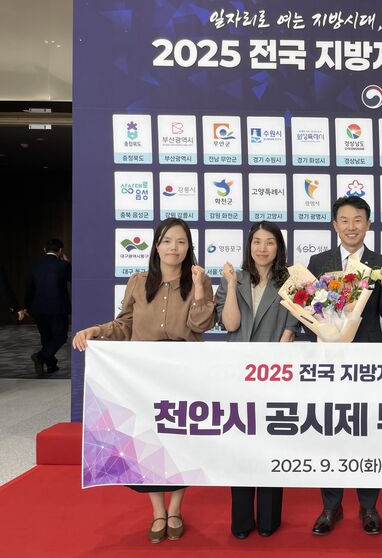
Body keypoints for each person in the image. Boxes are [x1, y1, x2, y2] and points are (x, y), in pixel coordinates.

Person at [72, 218, 215, 544]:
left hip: (182, 372)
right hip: (144, 375)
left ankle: (176, 509)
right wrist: (97, 330)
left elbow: (201, 324)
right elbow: (124, 325)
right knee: (149, 441)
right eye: (167, 241)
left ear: (188, 247)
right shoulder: (138, 282)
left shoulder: (198, 280)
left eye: (181, 242)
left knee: (180, 442)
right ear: (157, 246)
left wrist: (199, 290)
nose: (174, 248)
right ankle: (158, 511)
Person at [306, 195, 382, 536]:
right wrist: (324, 331)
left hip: (367, 362)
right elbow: (308, 311)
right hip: (329, 362)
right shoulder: (319, 262)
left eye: (358, 220)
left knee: (367, 433)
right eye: (344, 220)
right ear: (334, 224)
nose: (351, 226)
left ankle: (368, 505)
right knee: (330, 431)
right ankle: (331, 506)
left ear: (368, 224)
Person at [215, 221, 298, 540]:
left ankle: (269, 519)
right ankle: (241, 520)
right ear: (249, 246)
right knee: (240, 443)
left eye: (270, 242)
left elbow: (291, 328)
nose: (263, 248)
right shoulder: (233, 278)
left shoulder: (290, 281)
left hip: (274, 373)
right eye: (257, 242)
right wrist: (230, 284)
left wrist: (276, 359)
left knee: (270, 443)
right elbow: (230, 324)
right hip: (236, 374)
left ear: (279, 247)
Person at [19, 238, 71, 375]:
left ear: (44, 250)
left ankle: (51, 365)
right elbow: (74, 279)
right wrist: (68, 263)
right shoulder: (63, 265)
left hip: (38, 308)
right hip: (58, 308)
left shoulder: (35, 265)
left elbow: (29, 287)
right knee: (61, 336)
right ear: (60, 251)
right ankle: (40, 357)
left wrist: (26, 306)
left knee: (46, 337)